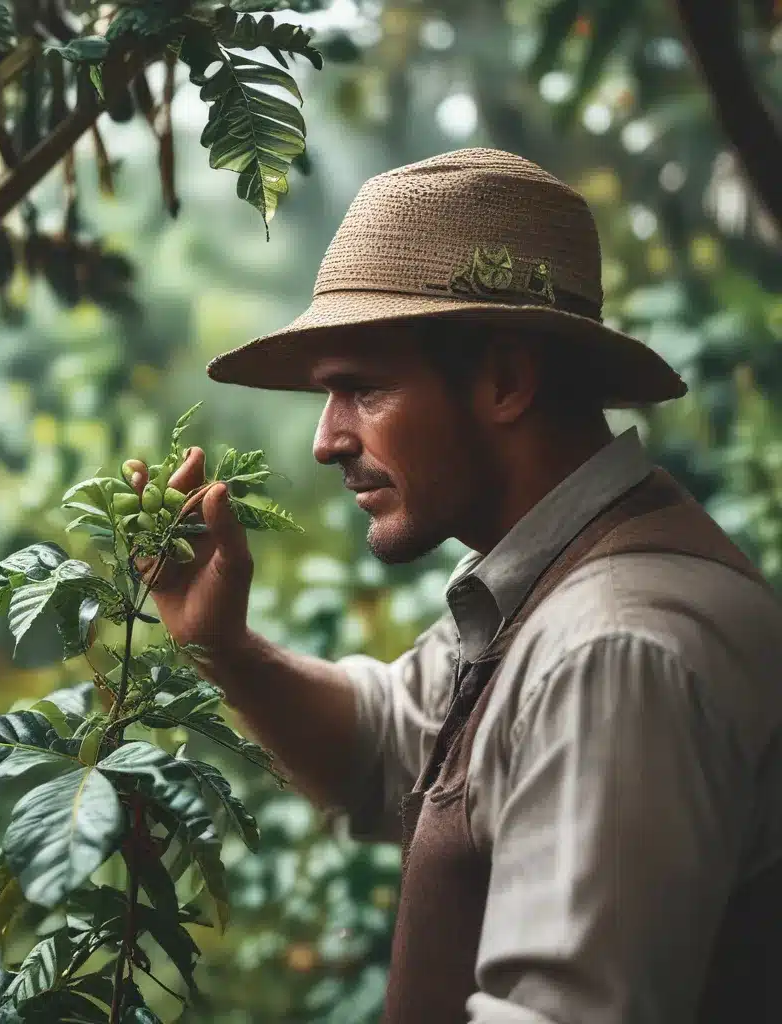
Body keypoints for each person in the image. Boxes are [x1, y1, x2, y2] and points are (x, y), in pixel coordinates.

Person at [143, 149, 782, 1023]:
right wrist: (226, 648)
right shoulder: (549, 588)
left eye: (361, 389)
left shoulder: (609, 652)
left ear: (504, 381)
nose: (327, 440)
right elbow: (383, 749)